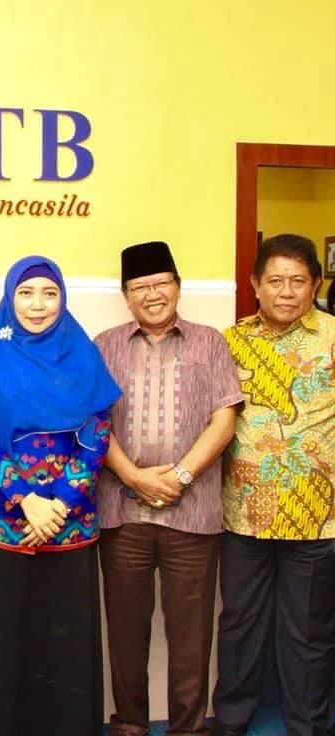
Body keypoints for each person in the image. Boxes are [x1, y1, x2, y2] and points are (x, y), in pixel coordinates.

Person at [0, 255, 121, 736]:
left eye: (49, 293)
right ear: (9, 297)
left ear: (62, 299)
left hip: (66, 524)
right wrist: (25, 499)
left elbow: (97, 437)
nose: (38, 305)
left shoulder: (82, 354)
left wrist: (58, 504)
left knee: (61, 644)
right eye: (26, 293)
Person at [94, 241, 242, 736]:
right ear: (126, 295)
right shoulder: (104, 345)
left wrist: (179, 477)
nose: (152, 294)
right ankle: (130, 724)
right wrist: (133, 476)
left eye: (161, 283)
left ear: (178, 287)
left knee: (191, 637)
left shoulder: (210, 342)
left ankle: (187, 728)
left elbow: (225, 418)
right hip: (123, 514)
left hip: (192, 514)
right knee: (125, 632)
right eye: (140, 287)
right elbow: (92, 421)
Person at [214, 233, 335, 736]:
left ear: (315, 285)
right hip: (245, 513)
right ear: (255, 285)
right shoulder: (230, 341)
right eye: (276, 281)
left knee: (308, 632)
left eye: (298, 281)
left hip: (316, 518)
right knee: (239, 625)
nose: (286, 292)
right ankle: (232, 720)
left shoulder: (333, 337)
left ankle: (307, 725)